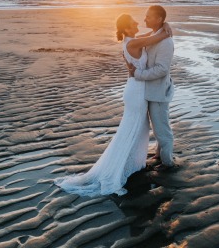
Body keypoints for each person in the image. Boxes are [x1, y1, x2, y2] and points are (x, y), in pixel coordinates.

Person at [53, 13, 172, 197]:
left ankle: (132, 163)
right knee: (134, 127)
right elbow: (158, 37)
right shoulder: (132, 43)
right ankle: (121, 166)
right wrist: (166, 28)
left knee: (137, 127)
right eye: (133, 22)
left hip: (137, 88)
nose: (137, 22)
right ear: (126, 28)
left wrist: (165, 27)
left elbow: (151, 38)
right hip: (136, 91)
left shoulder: (132, 40)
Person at [126, 5, 176, 171]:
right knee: (157, 126)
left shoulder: (166, 42)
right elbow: (142, 40)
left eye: (148, 16)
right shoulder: (155, 35)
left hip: (159, 92)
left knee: (162, 129)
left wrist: (138, 74)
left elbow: (162, 69)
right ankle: (159, 154)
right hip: (148, 91)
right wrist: (165, 27)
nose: (144, 19)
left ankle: (168, 163)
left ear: (159, 19)